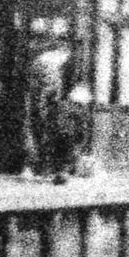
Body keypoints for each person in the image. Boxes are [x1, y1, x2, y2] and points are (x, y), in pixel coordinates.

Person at [22, 33, 75, 184]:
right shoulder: (52, 66)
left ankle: (40, 169)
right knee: (50, 137)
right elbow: (49, 92)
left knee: (39, 136)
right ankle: (49, 170)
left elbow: (37, 90)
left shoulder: (39, 63)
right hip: (48, 109)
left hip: (40, 107)